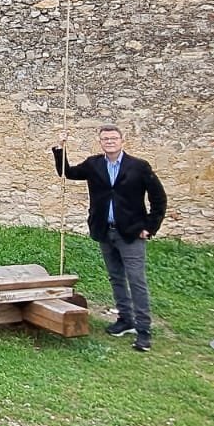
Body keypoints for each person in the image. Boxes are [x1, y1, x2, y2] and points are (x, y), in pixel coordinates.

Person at [53, 124, 167, 351]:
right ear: (100, 142)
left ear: (122, 141)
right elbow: (68, 173)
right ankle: (125, 319)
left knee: (136, 280)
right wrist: (60, 148)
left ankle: (143, 330)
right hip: (106, 230)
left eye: (113, 138)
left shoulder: (138, 167)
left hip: (131, 233)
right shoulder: (94, 165)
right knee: (115, 278)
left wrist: (150, 227)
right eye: (105, 139)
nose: (109, 142)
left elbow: (159, 199)